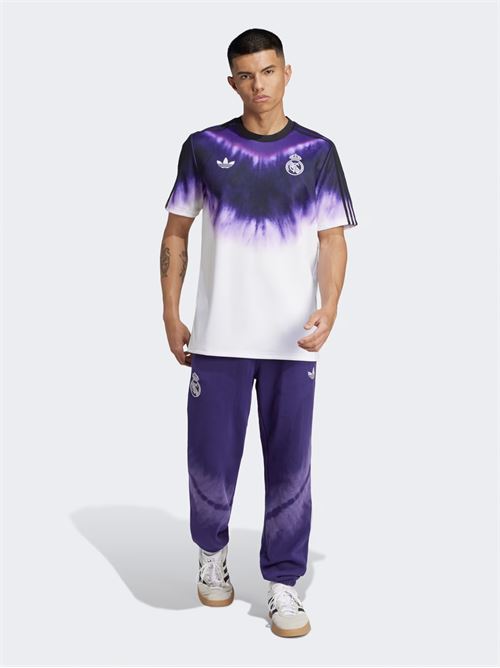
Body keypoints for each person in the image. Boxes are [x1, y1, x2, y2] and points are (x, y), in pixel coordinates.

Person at [160, 27, 358, 638]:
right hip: (217, 337)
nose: (259, 85)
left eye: (268, 71)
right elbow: (176, 232)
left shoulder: (318, 151)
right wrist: (170, 311)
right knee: (210, 459)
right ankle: (211, 553)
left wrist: (331, 306)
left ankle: (283, 583)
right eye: (246, 75)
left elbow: (332, 239)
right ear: (232, 82)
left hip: (290, 341)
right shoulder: (204, 146)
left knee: (291, 466)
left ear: (286, 73)